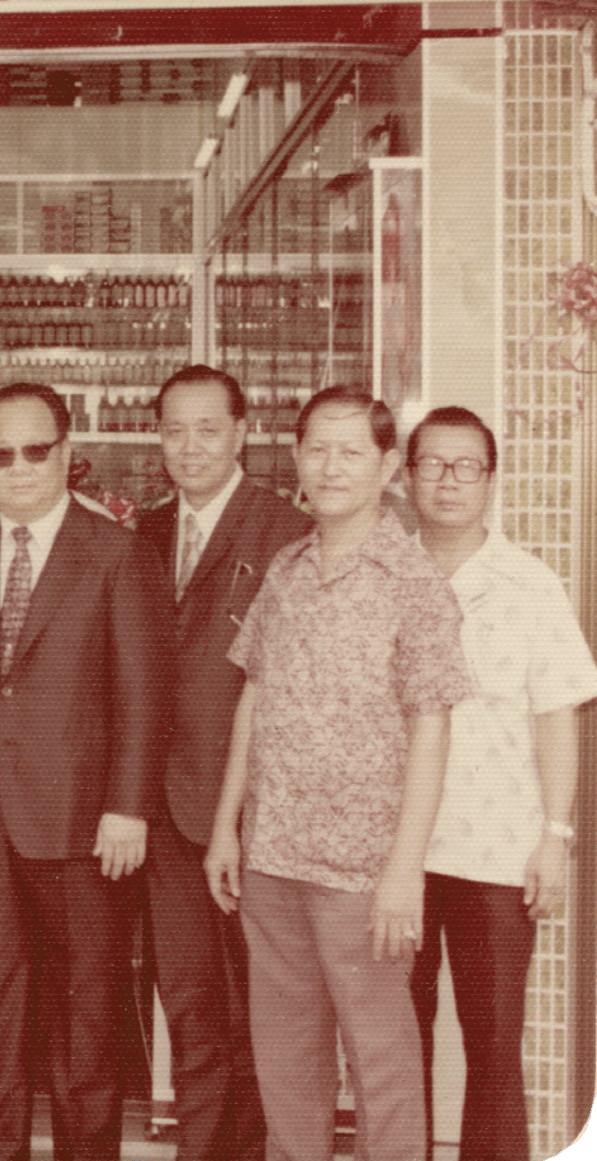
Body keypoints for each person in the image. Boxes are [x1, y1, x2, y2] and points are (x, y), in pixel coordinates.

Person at [205, 386, 473, 1161]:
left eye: (352, 450)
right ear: (295, 458)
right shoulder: (285, 566)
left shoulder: (413, 580)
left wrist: (403, 873)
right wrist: (228, 826)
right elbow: (254, 694)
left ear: (388, 465)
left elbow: (432, 725)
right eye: (317, 448)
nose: (331, 466)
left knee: (381, 1058)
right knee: (286, 1057)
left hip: (363, 870)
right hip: (273, 856)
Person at [0, 381, 170, 1161]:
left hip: (84, 824)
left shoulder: (116, 551)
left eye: (34, 450)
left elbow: (145, 692)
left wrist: (129, 806)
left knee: (85, 1016)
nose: (16, 468)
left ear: (66, 455)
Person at [406, 407, 596, 1161]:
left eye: (466, 467)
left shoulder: (530, 584)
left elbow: (559, 716)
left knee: (492, 1050)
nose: (448, 481)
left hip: (495, 853)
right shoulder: (386, 569)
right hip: (398, 854)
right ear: (408, 474)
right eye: (432, 464)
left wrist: (556, 835)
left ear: (491, 480)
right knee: (396, 1042)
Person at [137, 366, 308, 1161]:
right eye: (175, 429)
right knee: (191, 997)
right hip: (163, 810)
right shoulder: (143, 528)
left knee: (261, 1003)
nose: (191, 445)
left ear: (243, 433)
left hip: (254, 812)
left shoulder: (285, 529)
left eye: (209, 428)